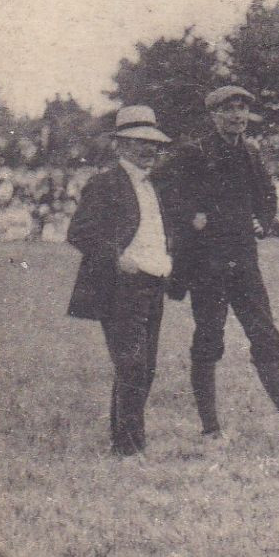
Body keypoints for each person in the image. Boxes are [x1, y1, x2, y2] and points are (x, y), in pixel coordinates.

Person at [154, 85, 279, 437]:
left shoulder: (251, 154)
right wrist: (189, 215)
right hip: (205, 263)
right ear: (214, 114)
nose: (237, 116)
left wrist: (263, 220)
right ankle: (210, 428)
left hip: (243, 260)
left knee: (265, 335)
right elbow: (159, 187)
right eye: (229, 109)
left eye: (242, 109)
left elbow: (267, 197)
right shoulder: (193, 153)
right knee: (209, 337)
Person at [65, 107, 177, 456]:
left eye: (153, 144)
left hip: (153, 283)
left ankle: (124, 440)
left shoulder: (152, 184)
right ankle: (129, 447)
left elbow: (156, 229)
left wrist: (167, 258)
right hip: (120, 286)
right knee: (132, 365)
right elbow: (79, 232)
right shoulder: (105, 183)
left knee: (145, 367)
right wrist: (118, 258)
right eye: (139, 142)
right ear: (120, 146)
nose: (149, 150)